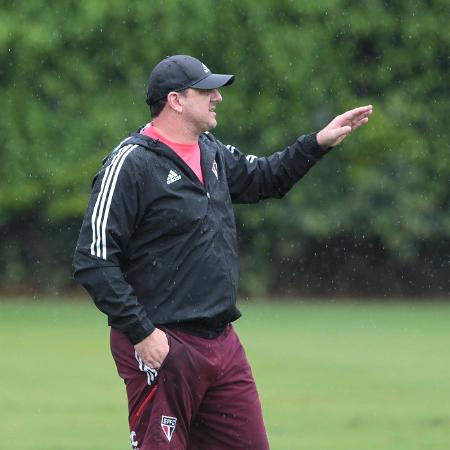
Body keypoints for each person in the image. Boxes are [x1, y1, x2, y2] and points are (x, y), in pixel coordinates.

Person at [73, 54, 372, 450]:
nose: (217, 97)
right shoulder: (132, 162)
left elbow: (266, 178)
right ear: (175, 100)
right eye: (206, 90)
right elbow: (93, 259)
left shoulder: (211, 152)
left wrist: (317, 143)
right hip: (164, 344)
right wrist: (142, 332)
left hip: (222, 345)